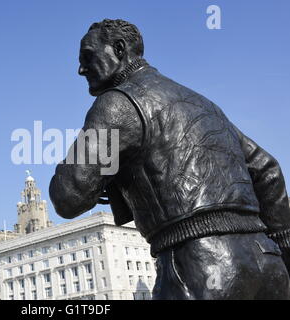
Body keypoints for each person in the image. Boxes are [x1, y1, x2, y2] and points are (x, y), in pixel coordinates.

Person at [49, 19, 290, 299]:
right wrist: (283, 249)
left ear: (119, 49)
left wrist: (102, 176)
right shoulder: (201, 102)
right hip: (266, 264)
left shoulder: (116, 103)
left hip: (199, 268)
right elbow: (267, 168)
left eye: (88, 57)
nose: (81, 69)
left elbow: (68, 196)